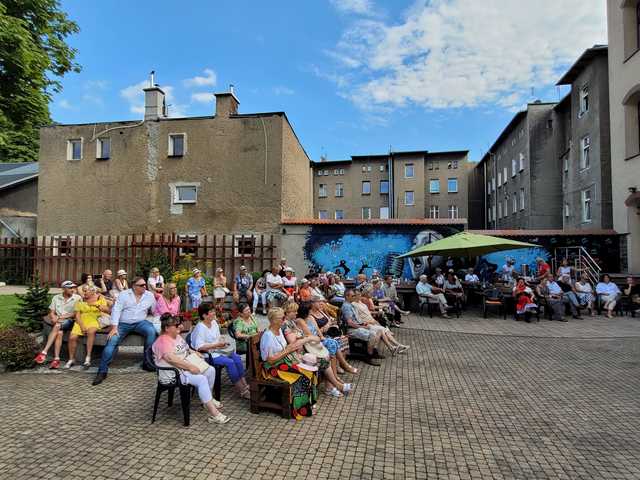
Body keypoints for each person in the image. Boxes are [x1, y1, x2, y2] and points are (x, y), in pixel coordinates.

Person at [152, 313, 229, 424]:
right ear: (167, 328)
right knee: (201, 379)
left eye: (179, 324)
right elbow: (172, 359)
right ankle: (215, 414)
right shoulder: (163, 341)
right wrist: (191, 367)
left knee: (211, 370)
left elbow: (186, 349)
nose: (181, 326)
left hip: (183, 368)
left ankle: (207, 400)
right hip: (174, 373)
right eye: (176, 325)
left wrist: (195, 352)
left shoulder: (177, 336)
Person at [92, 276, 157, 385]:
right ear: (134, 286)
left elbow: (155, 310)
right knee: (111, 341)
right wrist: (114, 327)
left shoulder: (149, 295)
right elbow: (116, 311)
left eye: (145, 284)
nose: (145, 287)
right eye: (141, 285)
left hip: (140, 322)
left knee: (151, 331)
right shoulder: (124, 295)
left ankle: (147, 362)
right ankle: (102, 371)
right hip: (123, 323)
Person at [260, 307, 318, 420]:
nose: (283, 320)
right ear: (274, 320)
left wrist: (290, 350)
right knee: (301, 377)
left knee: (310, 371)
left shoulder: (279, 331)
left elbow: (285, 348)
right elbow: (270, 360)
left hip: (283, 361)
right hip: (273, 367)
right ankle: (298, 409)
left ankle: (309, 403)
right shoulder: (268, 336)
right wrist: (288, 350)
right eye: (281, 318)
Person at [293, 302, 353, 398]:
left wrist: (321, 337)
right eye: (308, 310)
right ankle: (333, 383)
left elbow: (317, 331)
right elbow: (309, 335)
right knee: (328, 353)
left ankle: (333, 383)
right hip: (309, 346)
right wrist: (318, 338)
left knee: (332, 346)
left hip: (316, 342)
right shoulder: (299, 320)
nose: (310, 311)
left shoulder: (310, 317)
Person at [191, 302, 250, 399]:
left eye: (214, 311)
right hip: (206, 355)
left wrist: (222, 342)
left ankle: (244, 384)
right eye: (211, 312)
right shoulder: (200, 327)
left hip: (218, 350)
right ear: (204, 315)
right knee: (230, 362)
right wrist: (217, 345)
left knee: (237, 358)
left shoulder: (214, 323)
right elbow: (199, 347)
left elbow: (218, 337)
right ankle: (242, 390)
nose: (214, 313)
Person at [34, 280, 81, 369]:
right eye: (70, 288)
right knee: (59, 333)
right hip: (59, 320)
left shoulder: (77, 298)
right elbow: (52, 312)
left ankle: (44, 352)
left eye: (73, 287)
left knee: (58, 325)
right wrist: (53, 317)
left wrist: (61, 317)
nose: (72, 289)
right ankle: (56, 359)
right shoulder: (56, 297)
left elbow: (75, 313)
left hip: (70, 320)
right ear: (63, 289)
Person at [304, 299, 357, 374]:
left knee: (343, 339)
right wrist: (323, 331)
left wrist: (330, 323)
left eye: (320, 302)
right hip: (321, 336)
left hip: (327, 333)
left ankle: (340, 365)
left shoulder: (320, 311)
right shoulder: (309, 317)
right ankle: (342, 366)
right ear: (312, 304)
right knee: (335, 342)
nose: (320, 303)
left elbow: (329, 320)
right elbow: (316, 331)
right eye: (318, 302)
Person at [67, 285, 112, 369]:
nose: (84, 293)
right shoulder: (80, 301)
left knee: (91, 332)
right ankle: (71, 358)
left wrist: (96, 305)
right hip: (81, 321)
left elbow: (108, 310)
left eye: (86, 291)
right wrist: (82, 326)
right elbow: (77, 316)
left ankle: (88, 357)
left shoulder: (100, 299)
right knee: (72, 337)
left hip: (93, 319)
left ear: (92, 292)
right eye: (83, 291)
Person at [352, 289, 409, 356]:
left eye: (360, 294)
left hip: (371, 320)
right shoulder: (354, 304)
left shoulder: (360, 302)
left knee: (384, 330)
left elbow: (368, 312)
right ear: (354, 296)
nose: (360, 296)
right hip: (367, 322)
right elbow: (358, 317)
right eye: (358, 295)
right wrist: (370, 320)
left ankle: (395, 346)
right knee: (382, 330)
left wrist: (374, 317)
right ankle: (395, 346)